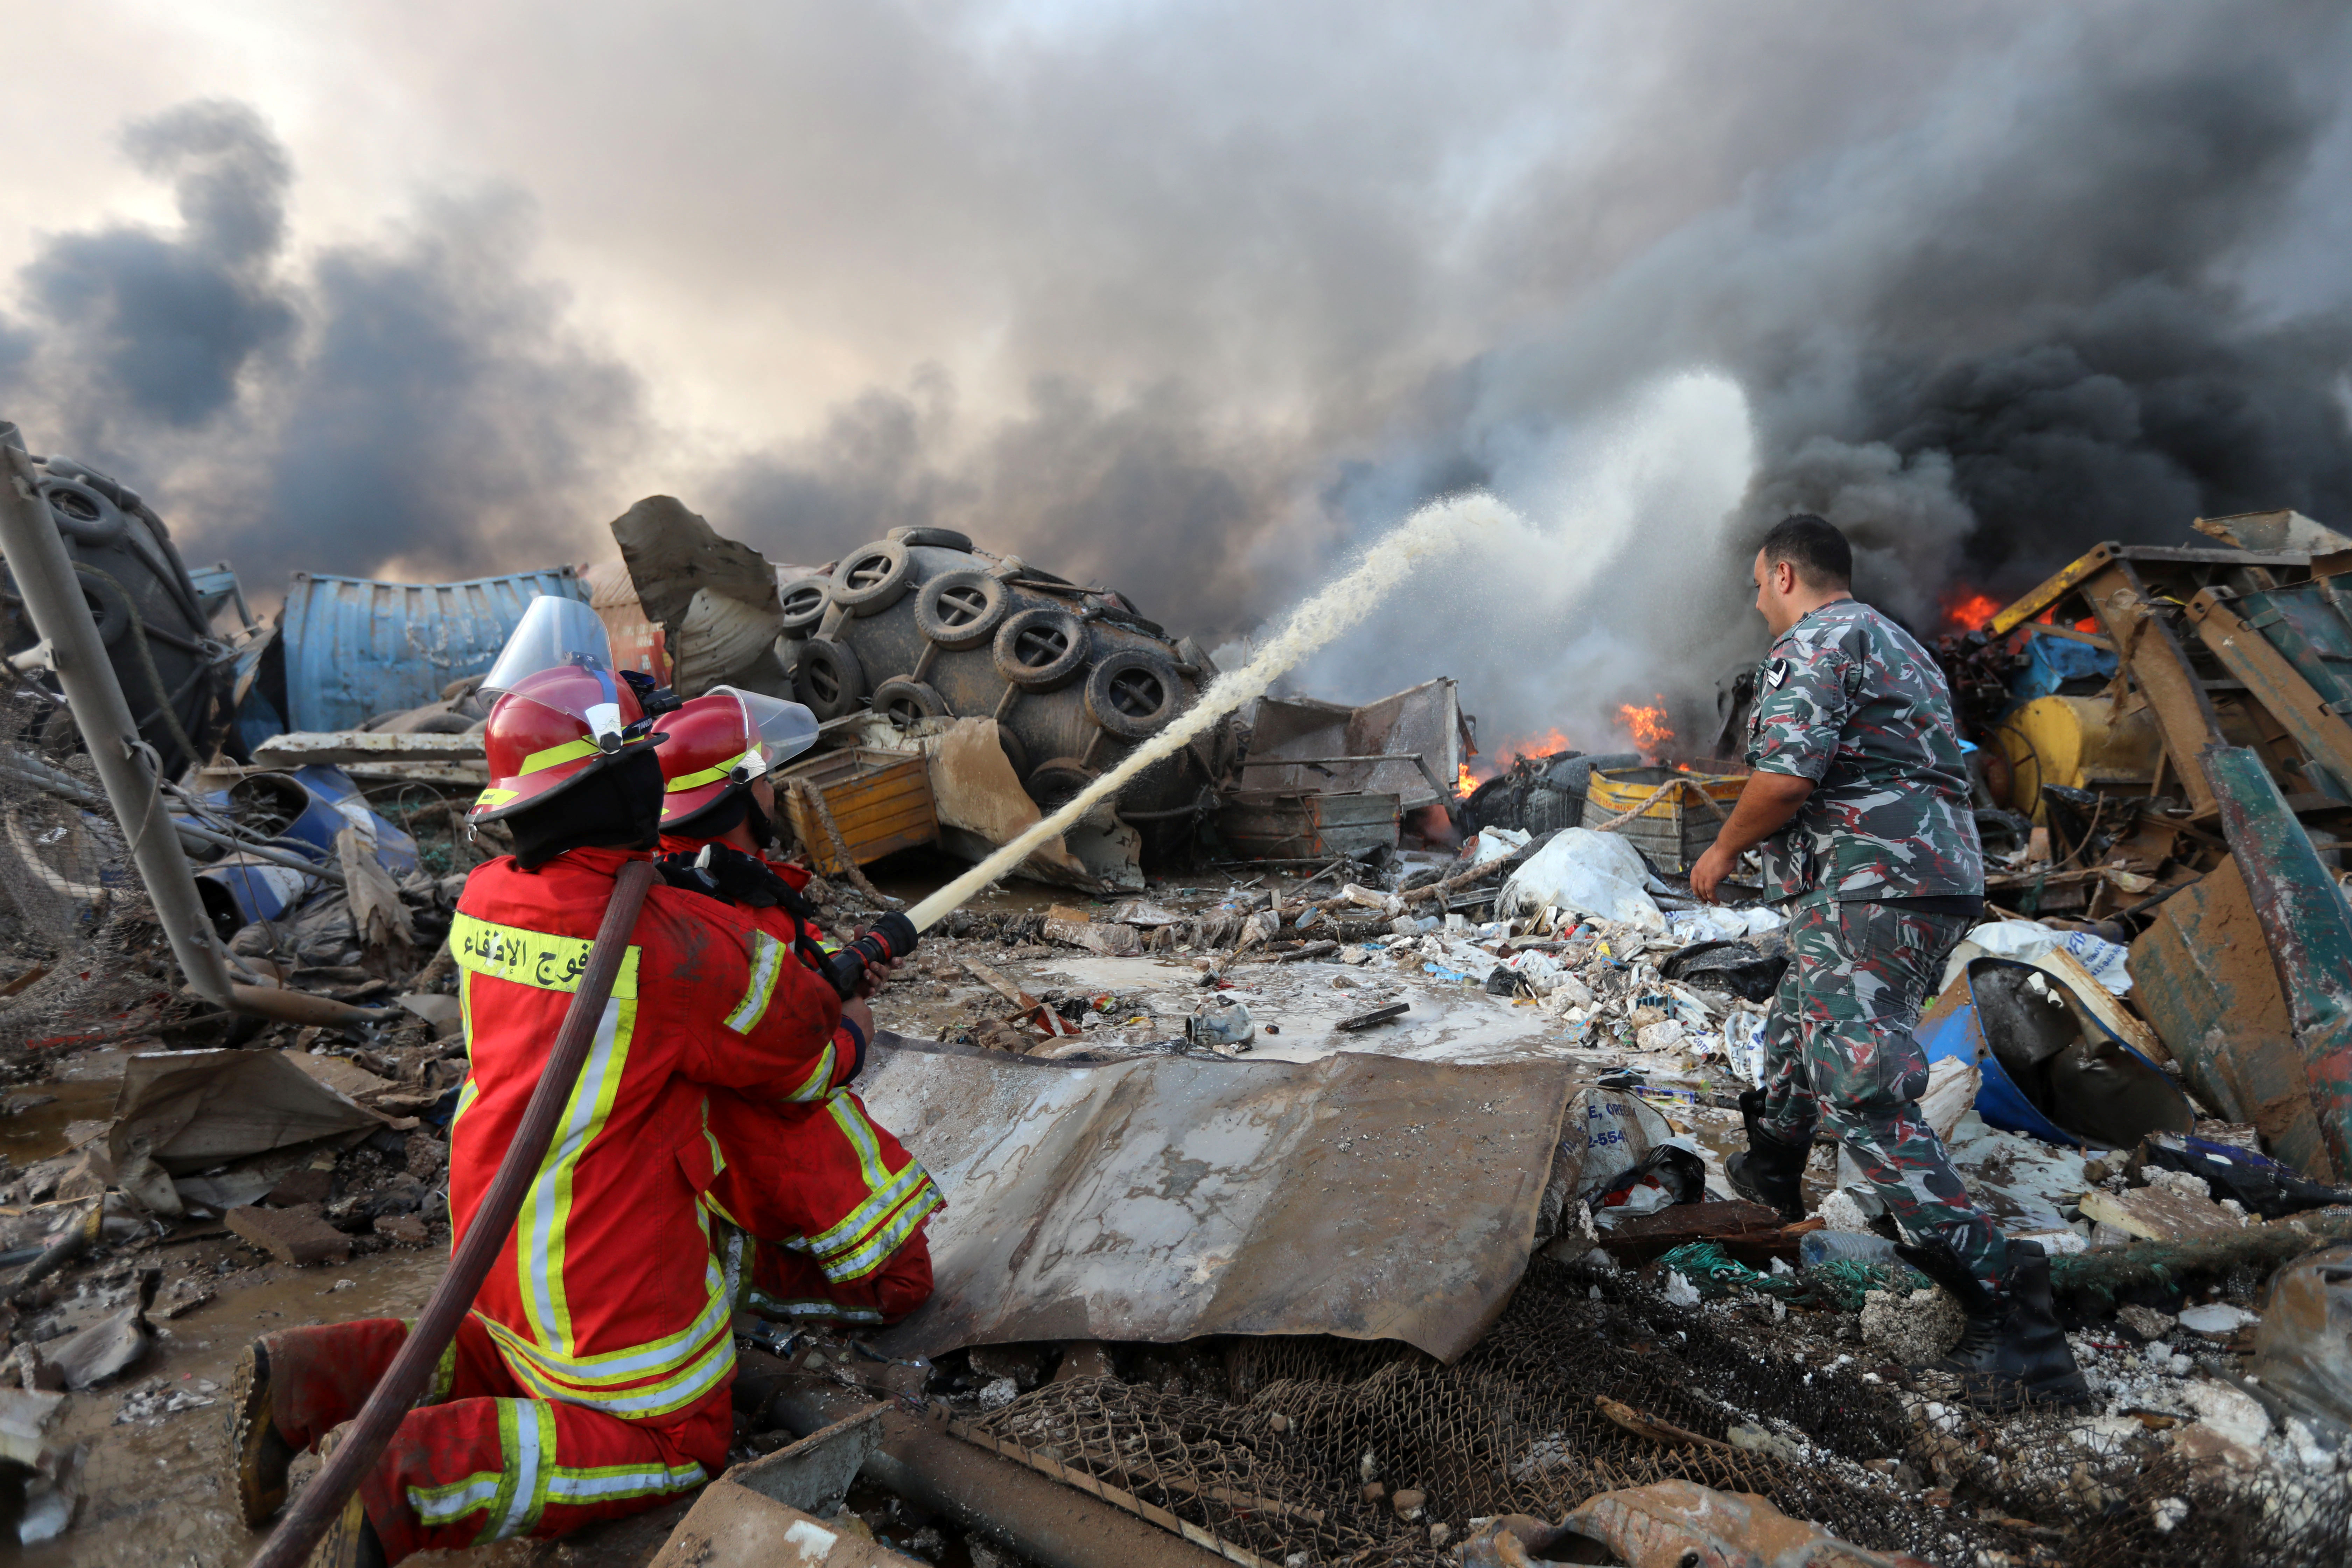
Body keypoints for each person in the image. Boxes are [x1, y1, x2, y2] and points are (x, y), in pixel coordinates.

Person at [229, 639, 854, 1565]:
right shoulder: (676, 945)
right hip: (608, 1273)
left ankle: (316, 1375)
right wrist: (855, 1013)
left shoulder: (491, 893)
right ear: (625, 786)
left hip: (501, 1236)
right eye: (642, 759)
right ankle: (412, 1480)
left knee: (501, 1355)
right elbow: (798, 1040)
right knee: (676, 1445)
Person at [1689, 513, 2086, 1406]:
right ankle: (1772, 1171)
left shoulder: (1814, 642)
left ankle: (2010, 1308)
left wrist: (1720, 852)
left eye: (1757, 584)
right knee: (1803, 1017)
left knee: (1861, 1084)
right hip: (1922, 877)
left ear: (1786, 574)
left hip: (1871, 884)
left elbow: (1787, 779)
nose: (1756, 601)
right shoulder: (1898, 644)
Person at [652, 686, 940, 1330]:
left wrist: (842, 972)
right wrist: (852, 1035)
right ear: (736, 795)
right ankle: (735, 1282)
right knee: (903, 1285)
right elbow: (784, 1071)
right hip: (763, 1137)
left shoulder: (706, 882)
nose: (774, 789)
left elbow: (789, 963)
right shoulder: (724, 921)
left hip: (720, 1144)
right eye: (763, 777)